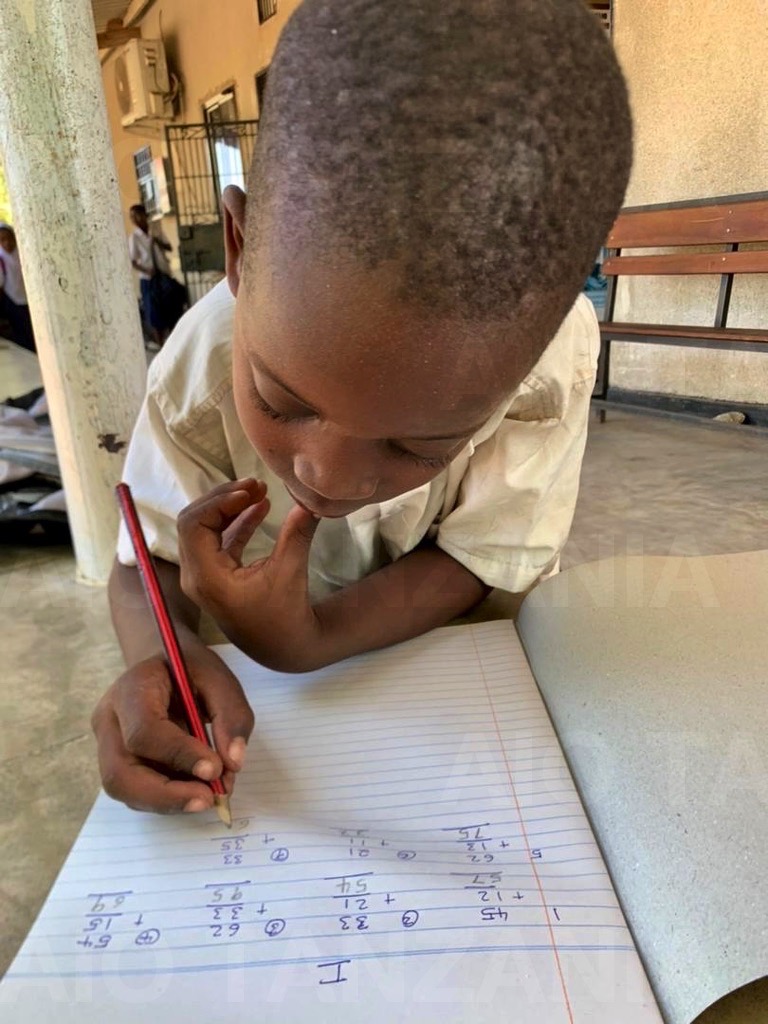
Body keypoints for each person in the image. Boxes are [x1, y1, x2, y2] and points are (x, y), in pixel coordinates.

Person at [93, 0, 632, 816]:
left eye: (418, 447)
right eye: (280, 398)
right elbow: (143, 565)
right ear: (239, 249)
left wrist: (312, 640)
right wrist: (155, 658)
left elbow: (483, 554)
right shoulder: (198, 365)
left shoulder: (548, 362)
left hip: (460, 691)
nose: (327, 478)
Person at [127, 204, 185, 346]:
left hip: (163, 274)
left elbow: (169, 247)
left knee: (172, 308)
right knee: (155, 314)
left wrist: (156, 241)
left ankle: (173, 342)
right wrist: (147, 270)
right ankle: (160, 346)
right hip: (149, 279)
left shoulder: (155, 231)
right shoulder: (134, 237)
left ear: (144, 215)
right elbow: (132, 261)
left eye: (137, 215)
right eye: (132, 217)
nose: (135, 219)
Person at [0, 224, 36, 353]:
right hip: (13, 302)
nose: (7, 243)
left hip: (31, 300)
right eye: (2, 240)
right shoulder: (1, 259)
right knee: (22, 334)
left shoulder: (23, 254)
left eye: (9, 238)